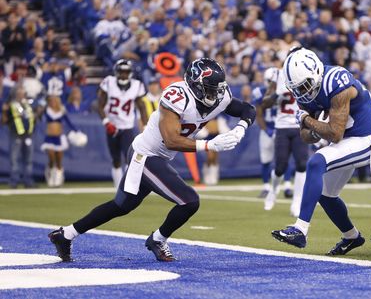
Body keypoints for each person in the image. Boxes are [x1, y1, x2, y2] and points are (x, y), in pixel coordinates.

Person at [48, 58, 256, 262]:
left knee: (120, 206)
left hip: (158, 157)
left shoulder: (219, 97)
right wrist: (210, 145)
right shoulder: (177, 96)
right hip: (146, 155)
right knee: (189, 201)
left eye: (218, 88)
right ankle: (158, 239)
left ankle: (65, 234)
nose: (216, 94)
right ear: (195, 85)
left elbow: (248, 109)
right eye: (210, 88)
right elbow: (171, 140)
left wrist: (240, 129)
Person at [272, 47, 371, 255]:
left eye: (305, 85)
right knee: (325, 194)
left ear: (315, 71)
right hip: (345, 141)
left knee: (316, 162)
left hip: (363, 138)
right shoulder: (305, 91)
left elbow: (335, 134)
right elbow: (306, 136)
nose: (302, 92)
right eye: (296, 88)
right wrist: (312, 127)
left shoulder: (336, 80)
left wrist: (308, 120)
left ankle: (300, 230)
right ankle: (352, 237)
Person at [261, 62, 309, 216]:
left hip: (299, 126)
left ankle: (297, 202)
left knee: (302, 164)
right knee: (280, 167)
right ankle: (273, 191)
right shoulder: (278, 76)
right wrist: (277, 94)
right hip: (281, 127)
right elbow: (265, 103)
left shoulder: (308, 75)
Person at [98, 59, 148, 186]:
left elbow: (141, 107)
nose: (123, 75)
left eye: (126, 72)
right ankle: (117, 186)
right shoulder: (109, 82)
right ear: (116, 72)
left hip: (127, 127)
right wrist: (106, 122)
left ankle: (126, 186)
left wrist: (146, 125)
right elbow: (99, 105)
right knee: (115, 159)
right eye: (121, 72)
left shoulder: (137, 85)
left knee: (129, 158)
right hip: (112, 126)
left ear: (130, 73)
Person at [41, 76, 80, 187]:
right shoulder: (46, 109)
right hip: (49, 136)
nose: (53, 101)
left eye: (55, 100)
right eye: (51, 100)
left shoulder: (62, 110)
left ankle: (58, 178)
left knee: (58, 160)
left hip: (59, 137)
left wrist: (76, 130)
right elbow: (38, 114)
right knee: (51, 157)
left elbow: (68, 122)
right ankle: (49, 173)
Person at [2, 84, 36, 188]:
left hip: (28, 135)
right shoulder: (11, 105)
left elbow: (33, 118)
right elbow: (4, 121)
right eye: (19, 92)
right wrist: (4, 111)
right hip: (15, 134)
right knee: (14, 159)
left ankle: (28, 181)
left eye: (23, 92)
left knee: (29, 160)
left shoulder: (28, 104)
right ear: (16, 94)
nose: (21, 94)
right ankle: (14, 181)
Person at [252, 67, 279, 198]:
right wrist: (266, 129)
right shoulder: (259, 92)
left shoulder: (283, 92)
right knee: (265, 159)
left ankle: (286, 186)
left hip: (280, 129)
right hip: (267, 129)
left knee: (282, 159)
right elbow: (259, 115)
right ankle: (266, 186)